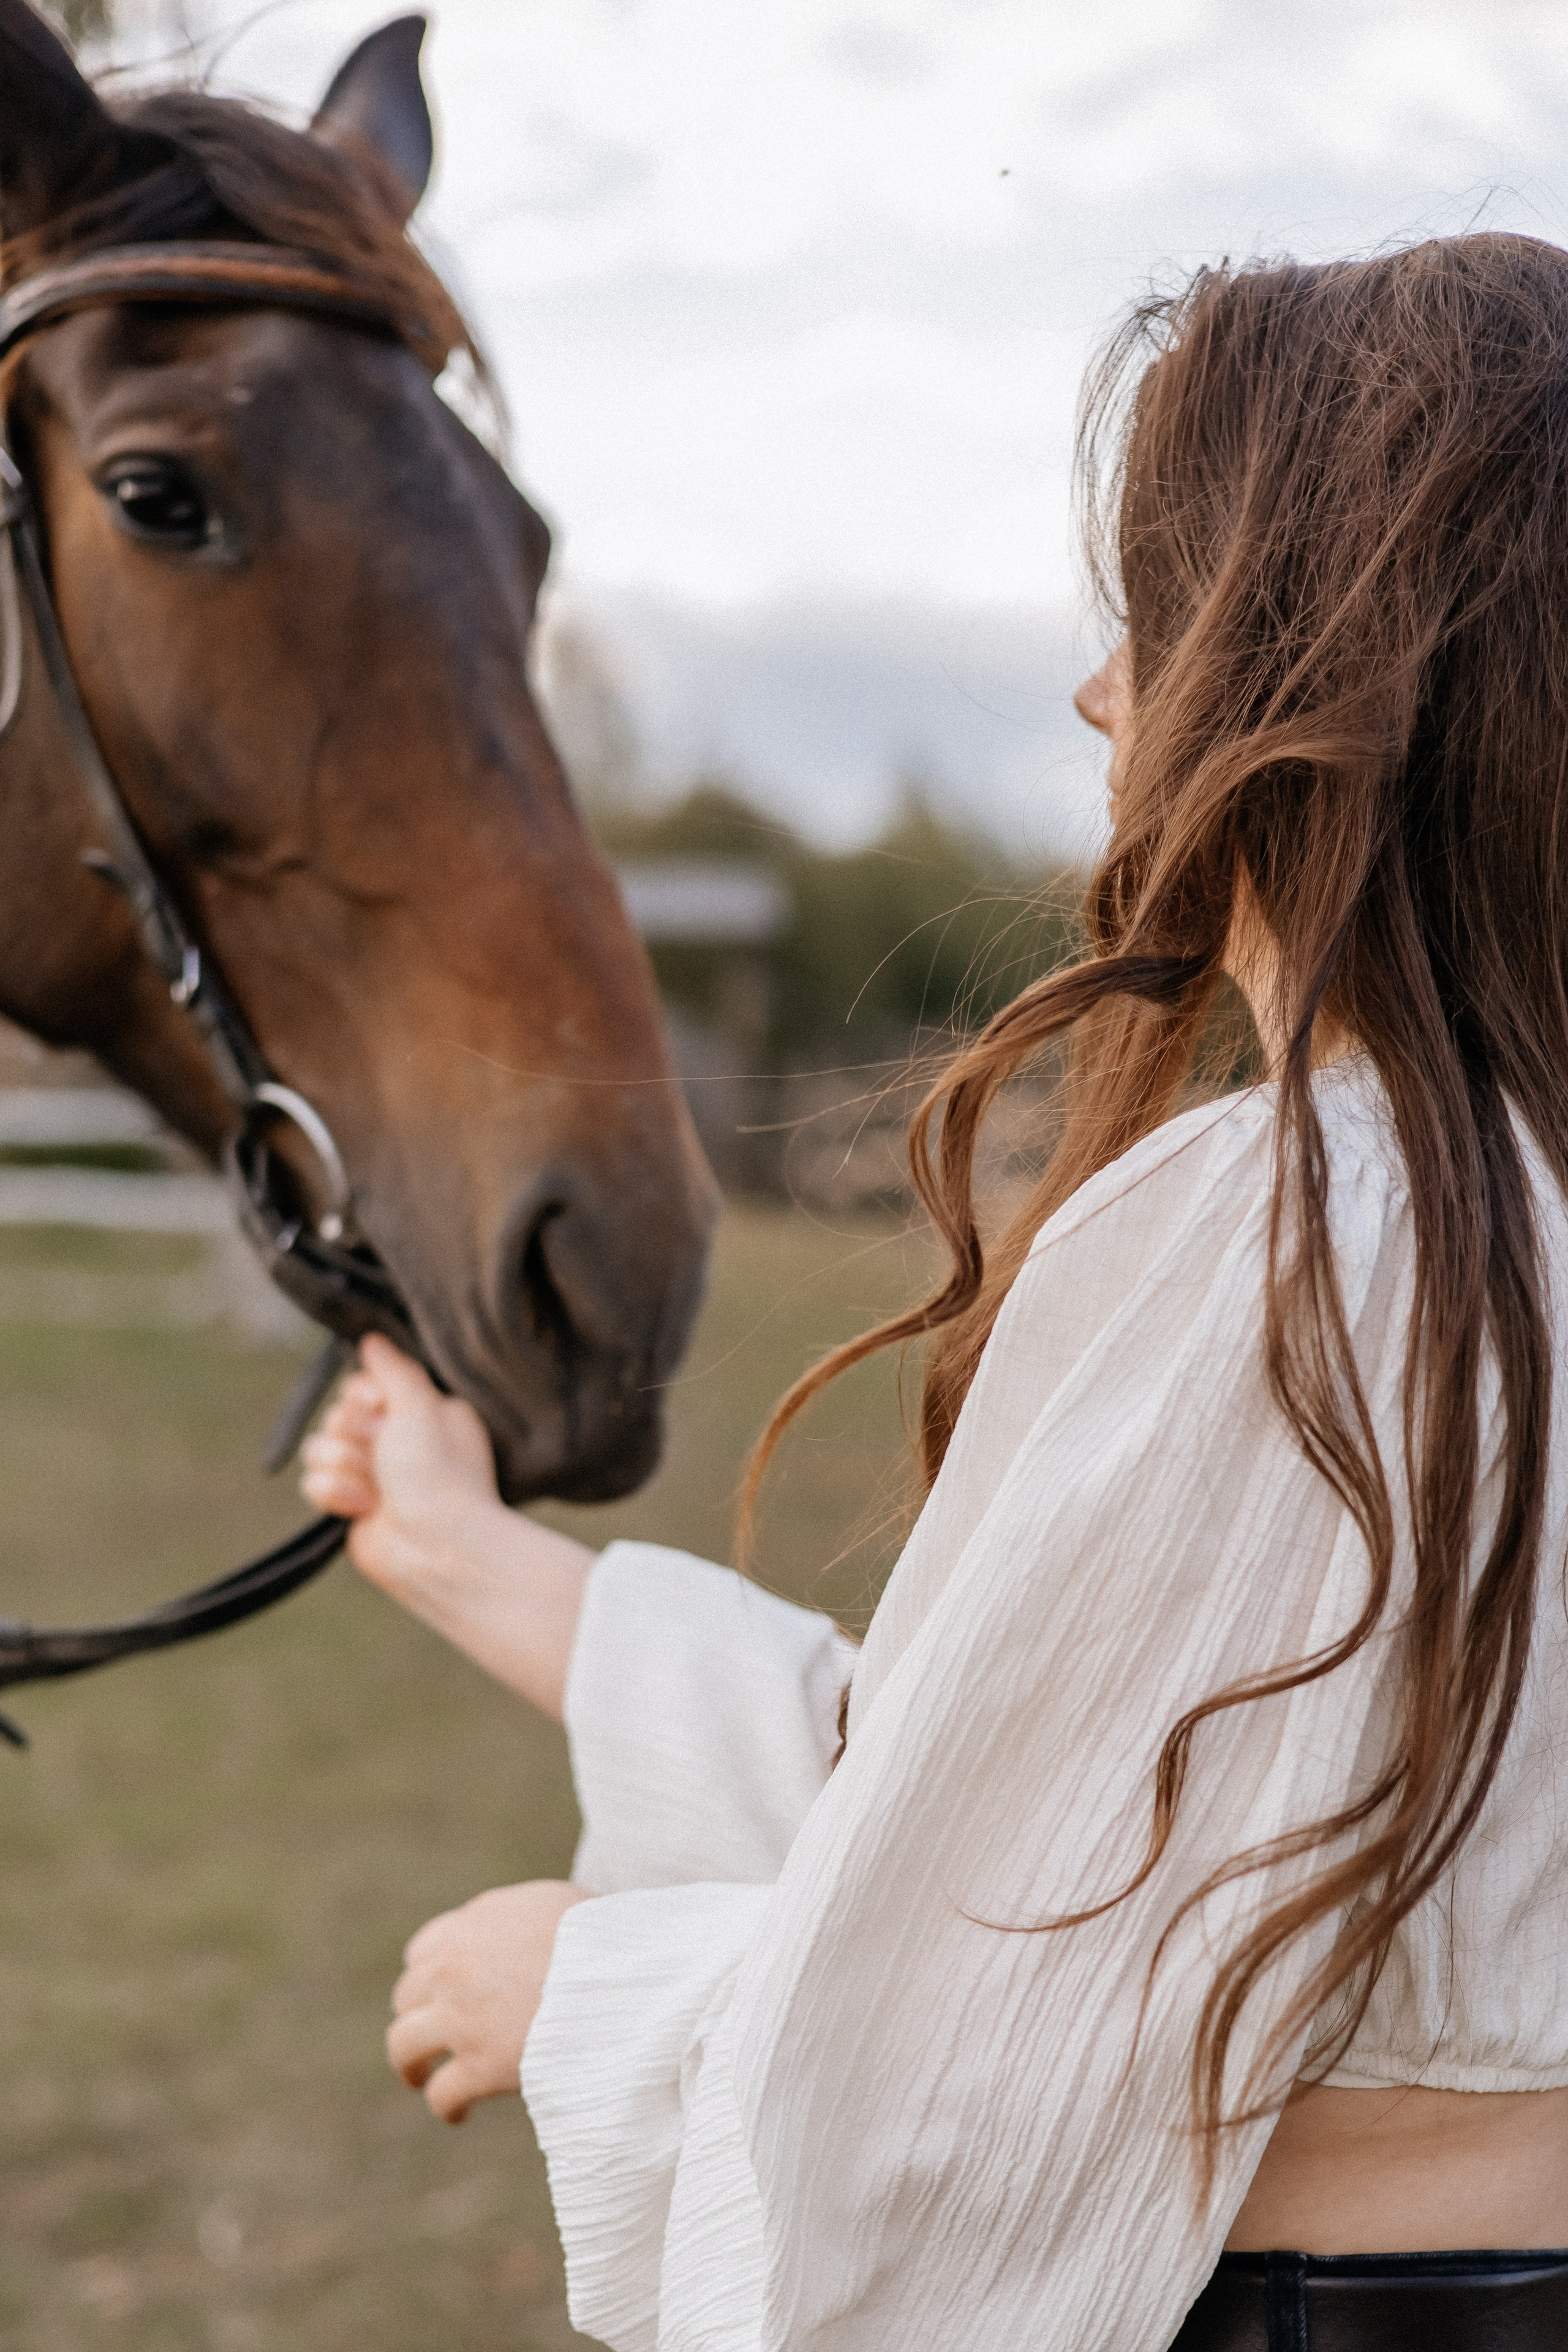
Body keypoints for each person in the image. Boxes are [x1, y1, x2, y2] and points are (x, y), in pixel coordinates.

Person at [301, 236, 1568, 2350]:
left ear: (1315, 679)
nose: (1101, 690)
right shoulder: (1501, 1227)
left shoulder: (1287, 1237)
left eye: (1159, 615)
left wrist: (588, 1987)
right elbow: (997, 1778)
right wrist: (468, 1556)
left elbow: (980, 2046)